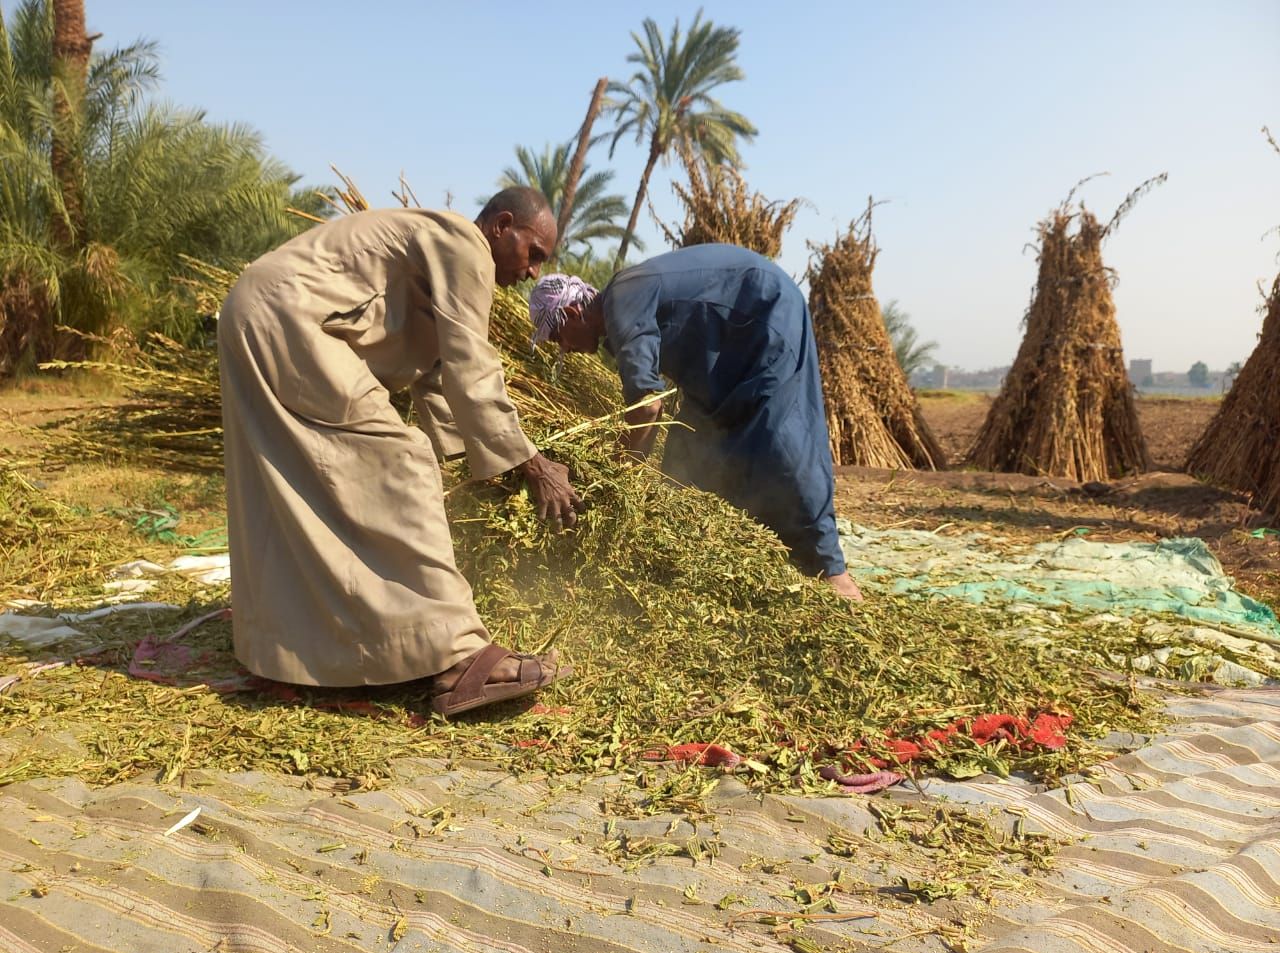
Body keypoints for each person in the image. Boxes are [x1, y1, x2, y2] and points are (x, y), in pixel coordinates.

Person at [217, 187, 584, 716]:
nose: (532, 272)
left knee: (305, 486)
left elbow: (436, 379)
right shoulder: (465, 245)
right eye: (534, 253)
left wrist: (470, 473)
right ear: (502, 226)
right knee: (403, 462)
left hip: (260, 311)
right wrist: (533, 465)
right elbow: (471, 366)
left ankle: (293, 644)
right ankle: (458, 658)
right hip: (288, 318)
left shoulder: (438, 252)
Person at [529, 244, 862, 600]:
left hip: (765, 314)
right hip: (723, 355)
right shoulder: (617, 314)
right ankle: (704, 558)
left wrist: (618, 482)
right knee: (685, 455)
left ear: (573, 312)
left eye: (558, 338)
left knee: (780, 443)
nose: (564, 349)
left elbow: (647, 406)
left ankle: (835, 575)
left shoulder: (622, 299)